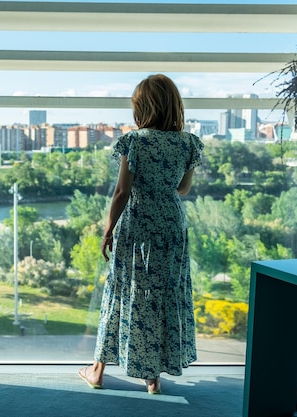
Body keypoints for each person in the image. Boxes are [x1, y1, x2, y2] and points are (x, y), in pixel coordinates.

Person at [78, 74, 203, 394]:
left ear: (142, 107)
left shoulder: (135, 141)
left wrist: (108, 230)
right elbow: (183, 189)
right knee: (163, 294)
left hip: (138, 226)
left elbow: (122, 191)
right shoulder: (187, 142)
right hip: (172, 227)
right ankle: (153, 378)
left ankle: (98, 371)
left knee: (121, 293)